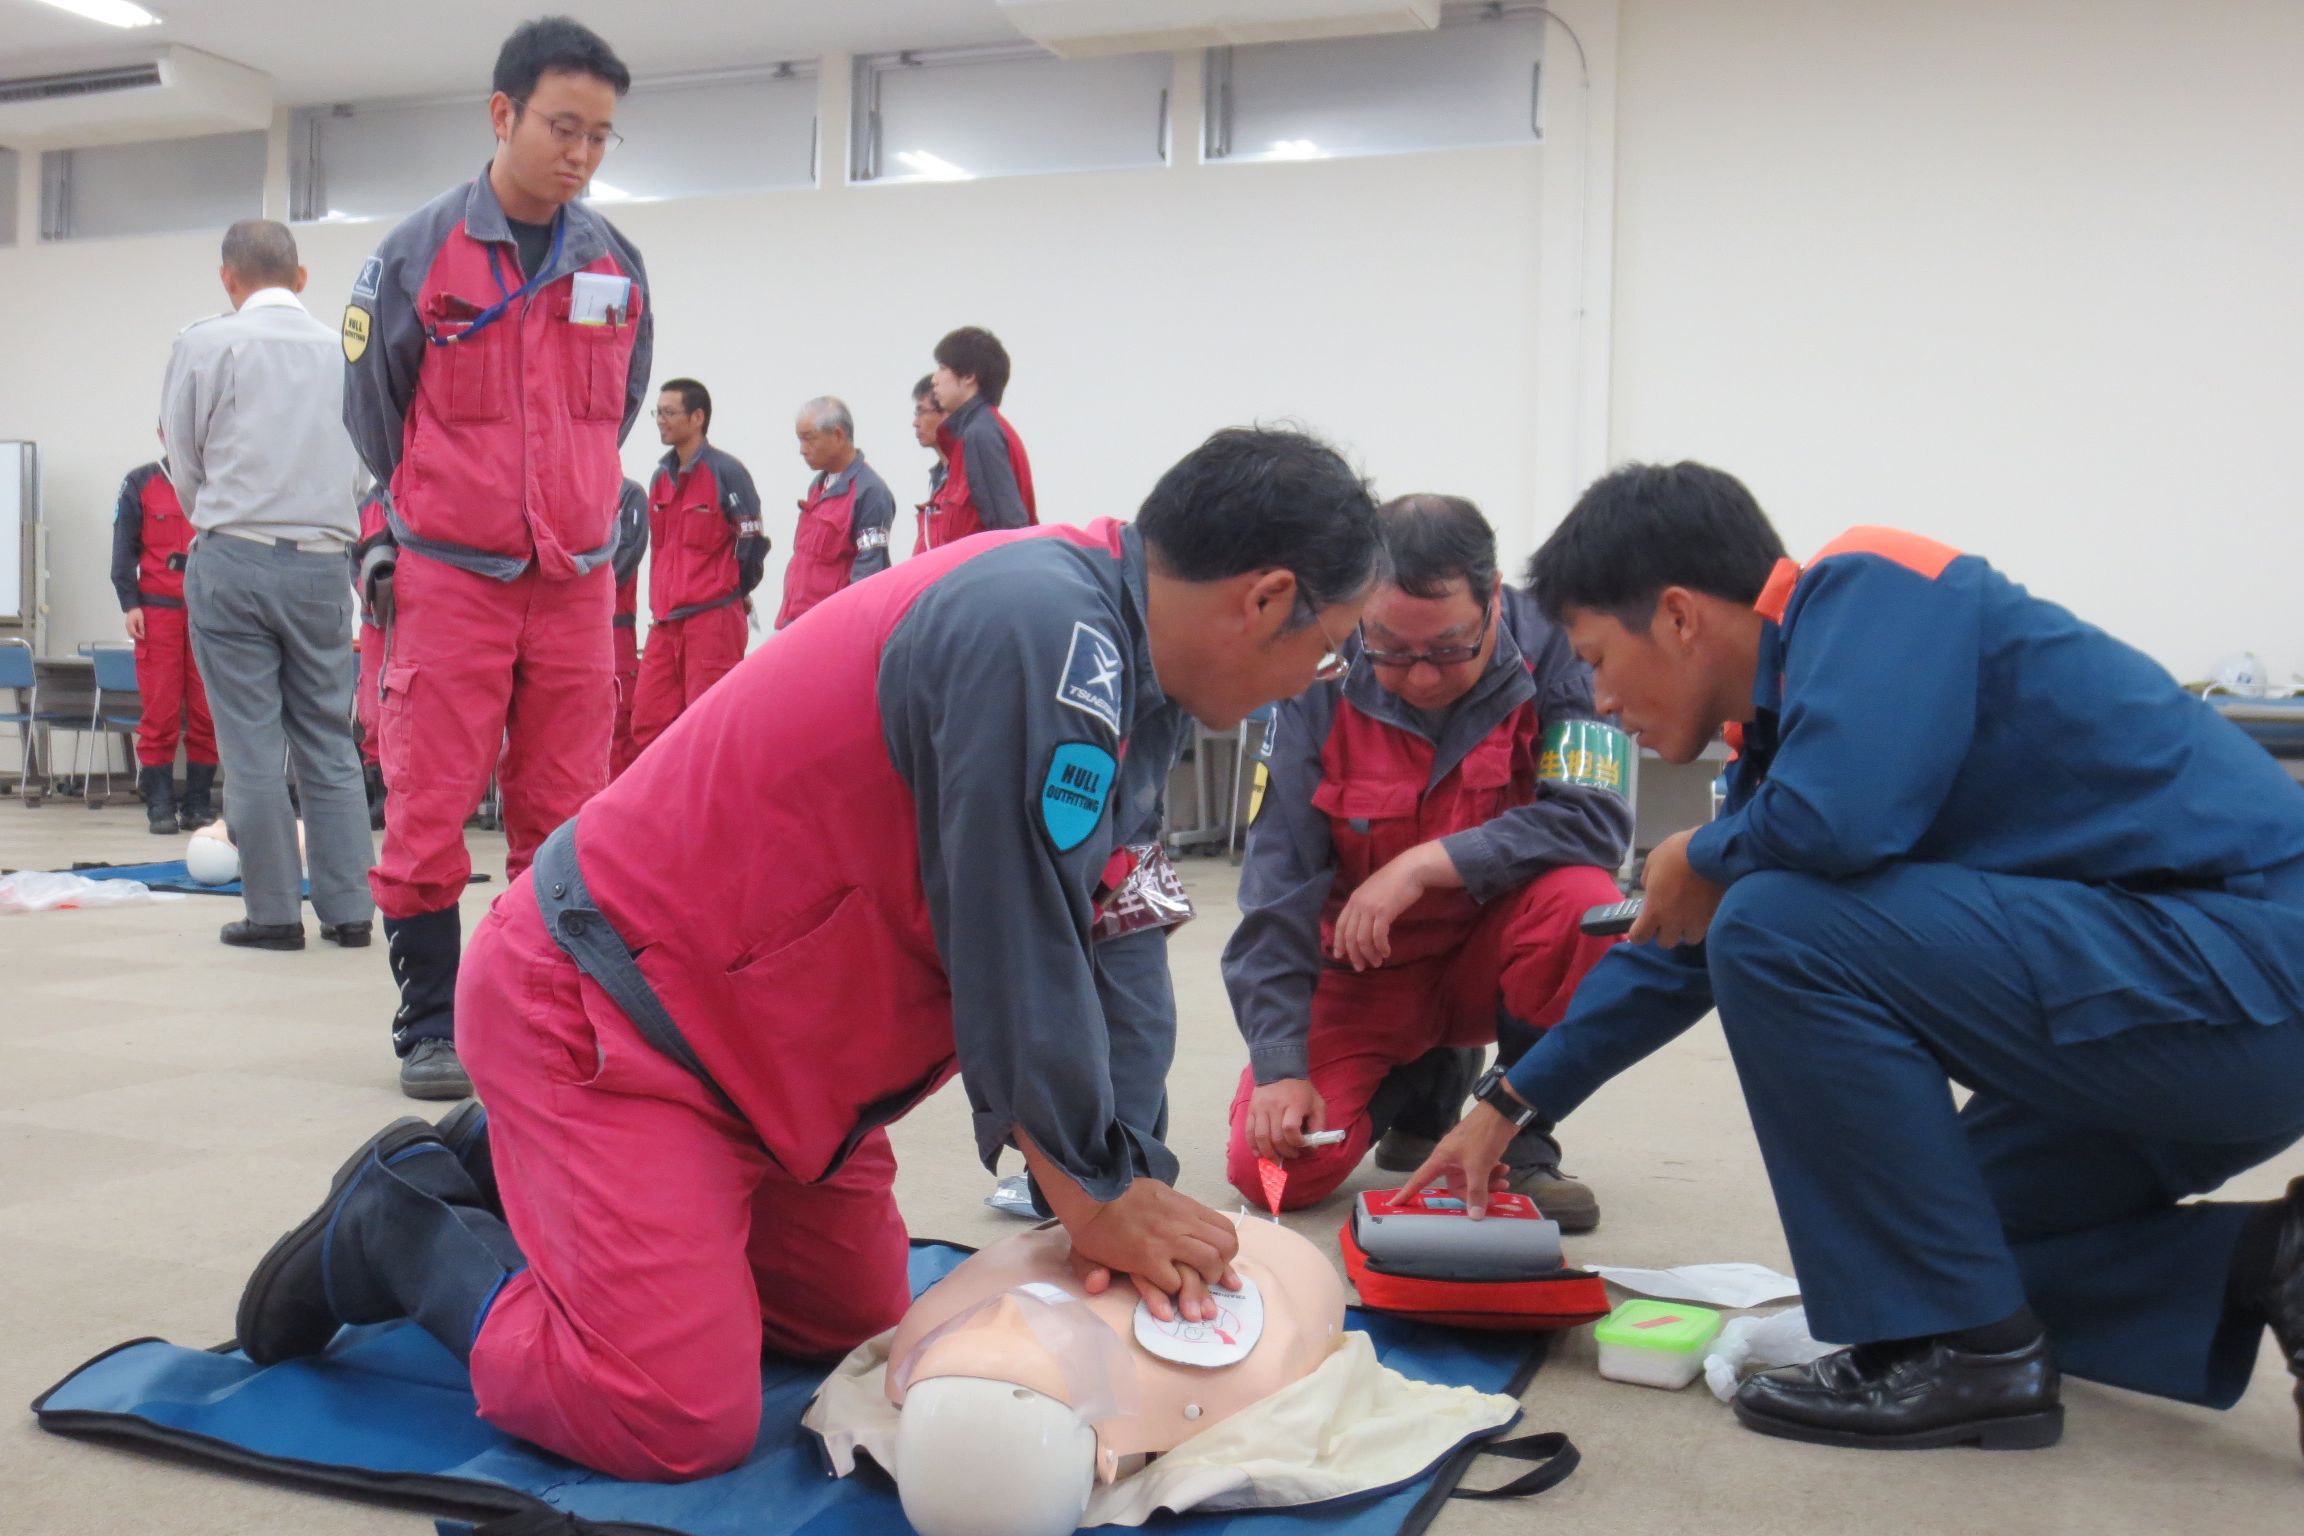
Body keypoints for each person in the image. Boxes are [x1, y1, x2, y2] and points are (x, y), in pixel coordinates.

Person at [234, 426, 1382, 1484]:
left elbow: (1119, 937)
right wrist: (1088, 1189)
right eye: (1326, 653)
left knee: (852, 1332)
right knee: (673, 1416)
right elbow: (1019, 936)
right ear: (1265, 598)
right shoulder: (1043, 635)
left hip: (780, 1076)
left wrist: (1128, 1177)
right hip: (612, 1014)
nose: (1311, 685)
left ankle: (516, 1152)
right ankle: (402, 1224)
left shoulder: (1137, 670)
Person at [1400, 462, 2304, 1457]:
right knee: (1952, 1242)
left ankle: (1968, 1359)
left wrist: (1699, 853)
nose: (1601, 700)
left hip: (2248, 975)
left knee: (1776, 925)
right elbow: (1676, 951)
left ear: (1680, 617)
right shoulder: (1789, 739)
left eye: (1599, 659)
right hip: (2175, 1016)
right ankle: (2270, 1262)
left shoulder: (1875, 586)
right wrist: (1512, 1105)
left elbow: (1838, 826)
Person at [342, 17, 653, 1099]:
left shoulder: (614, 262)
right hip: (449, 580)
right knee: (428, 805)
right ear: (503, 114)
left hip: (572, 584)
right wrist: (446, 505)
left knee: (568, 814)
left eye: (601, 137)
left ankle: (539, 1012)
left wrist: (561, 501)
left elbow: (610, 414)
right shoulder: (418, 253)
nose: (580, 154)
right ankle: (430, 1022)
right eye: (564, 127)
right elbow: (374, 413)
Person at [1223, 495, 1630, 1228]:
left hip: (1491, 955)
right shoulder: (1316, 670)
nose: (1420, 679)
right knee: (1271, 1172)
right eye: (1389, 651)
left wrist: (1423, 864)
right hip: (1363, 970)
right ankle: (1420, 1087)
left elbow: (1595, 820)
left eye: (1448, 650)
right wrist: (1282, 1068)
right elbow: (1277, 887)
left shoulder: (1561, 650)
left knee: (1586, 907)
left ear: (1495, 598)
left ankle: (1519, 1132)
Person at [161, 219, 373, 952]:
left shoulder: (204, 343)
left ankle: (274, 913)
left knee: (250, 744)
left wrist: (218, 515)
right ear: (303, 277)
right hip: (322, 564)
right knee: (328, 740)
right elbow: (369, 463)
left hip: (233, 556)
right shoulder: (346, 352)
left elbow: (182, 454)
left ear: (228, 277)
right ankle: (350, 913)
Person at [627, 378, 764, 753]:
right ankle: (662, 811)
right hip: (667, 622)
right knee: (648, 724)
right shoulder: (661, 477)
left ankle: (713, 809)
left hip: (712, 620)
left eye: (669, 413)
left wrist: (734, 590)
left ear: (697, 417)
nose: (660, 420)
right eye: (658, 412)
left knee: (708, 725)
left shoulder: (726, 472)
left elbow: (752, 542)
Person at [109, 429, 218, 834]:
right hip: (158, 614)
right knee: (160, 712)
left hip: (209, 614)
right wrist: (129, 603)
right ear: (161, 432)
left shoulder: (218, 484)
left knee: (209, 712)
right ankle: (158, 804)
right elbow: (123, 549)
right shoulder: (140, 483)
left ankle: (198, 804)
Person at [776, 396, 895, 629]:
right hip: (796, 621)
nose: (802, 450)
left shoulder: (869, 492)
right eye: (800, 440)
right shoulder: (819, 486)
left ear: (838, 435)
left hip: (830, 626)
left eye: (809, 439)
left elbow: (870, 572)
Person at [916, 326, 1033, 553]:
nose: (934, 379)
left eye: (942, 368)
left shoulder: (981, 434)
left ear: (969, 376)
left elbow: (1009, 528)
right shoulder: (974, 432)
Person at [352, 484, 392, 830]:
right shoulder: (365, 506)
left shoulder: (428, 491)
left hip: (424, 624)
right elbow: (351, 557)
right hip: (375, 625)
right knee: (373, 712)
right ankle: (380, 798)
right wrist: (367, 591)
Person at [608, 474, 648, 778]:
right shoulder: (557, 485)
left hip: (614, 628)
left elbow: (625, 558)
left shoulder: (628, 494)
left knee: (619, 724)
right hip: (563, 627)